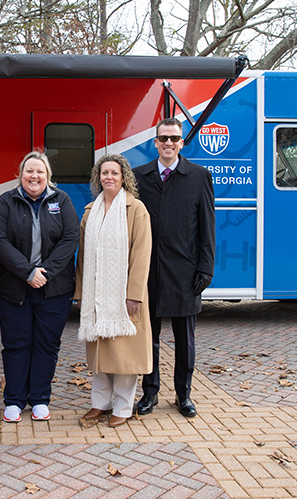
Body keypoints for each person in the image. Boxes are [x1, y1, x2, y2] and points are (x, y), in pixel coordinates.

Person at [0, 151, 80, 423]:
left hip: (54, 290)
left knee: (46, 345)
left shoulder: (61, 201)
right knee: (16, 344)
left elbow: (70, 237)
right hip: (14, 289)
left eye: (40, 171)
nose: (34, 176)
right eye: (29, 171)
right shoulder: (7, 201)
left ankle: (40, 398)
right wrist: (28, 272)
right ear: (21, 174)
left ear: (48, 176)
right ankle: (14, 400)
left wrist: (46, 273)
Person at [133, 117, 215, 418]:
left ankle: (184, 394)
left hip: (185, 273)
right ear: (155, 142)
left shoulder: (198, 176)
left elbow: (208, 228)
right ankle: (149, 393)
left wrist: (205, 269)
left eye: (174, 138)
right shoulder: (139, 177)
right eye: (163, 138)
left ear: (182, 142)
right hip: (148, 273)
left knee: (185, 340)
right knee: (148, 338)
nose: (169, 143)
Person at [74, 154, 152, 428]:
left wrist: (134, 295)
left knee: (123, 356)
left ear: (124, 178)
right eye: (104, 173)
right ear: (98, 178)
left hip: (124, 298)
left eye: (114, 173)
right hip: (96, 297)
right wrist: (81, 292)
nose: (109, 177)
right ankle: (100, 404)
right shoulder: (89, 211)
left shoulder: (136, 209)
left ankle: (123, 406)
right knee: (100, 355)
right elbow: (83, 256)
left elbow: (141, 255)